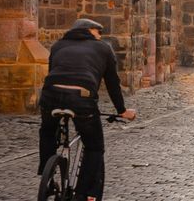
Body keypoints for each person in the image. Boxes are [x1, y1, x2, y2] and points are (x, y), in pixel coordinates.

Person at [38, 18, 137, 201]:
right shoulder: (104, 48)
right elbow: (112, 83)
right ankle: (83, 194)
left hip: (50, 94)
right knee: (94, 147)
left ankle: (47, 175)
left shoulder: (58, 45)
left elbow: (53, 72)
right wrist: (121, 110)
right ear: (90, 30)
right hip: (81, 99)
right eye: (99, 32)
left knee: (47, 132)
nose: (100, 36)